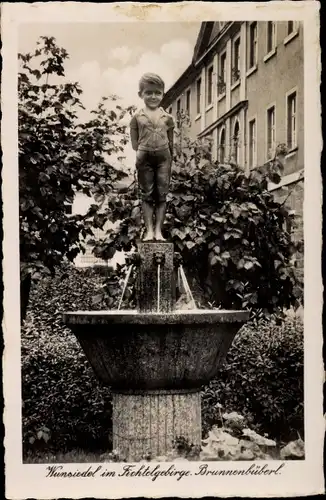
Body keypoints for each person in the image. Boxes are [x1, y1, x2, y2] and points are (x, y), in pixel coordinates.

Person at [130, 73, 174, 241]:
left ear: (163, 94)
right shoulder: (137, 117)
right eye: (148, 92)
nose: (153, 96)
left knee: (162, 194)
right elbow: (134, 143)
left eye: (157, 92)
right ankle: (149, 231)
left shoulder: (168, 118)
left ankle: (158, 231)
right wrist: (144, 150)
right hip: (144, 157)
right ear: (141, 94)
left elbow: (171, 142)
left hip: (164, 158)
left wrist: (167, 156)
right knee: (147, 194)